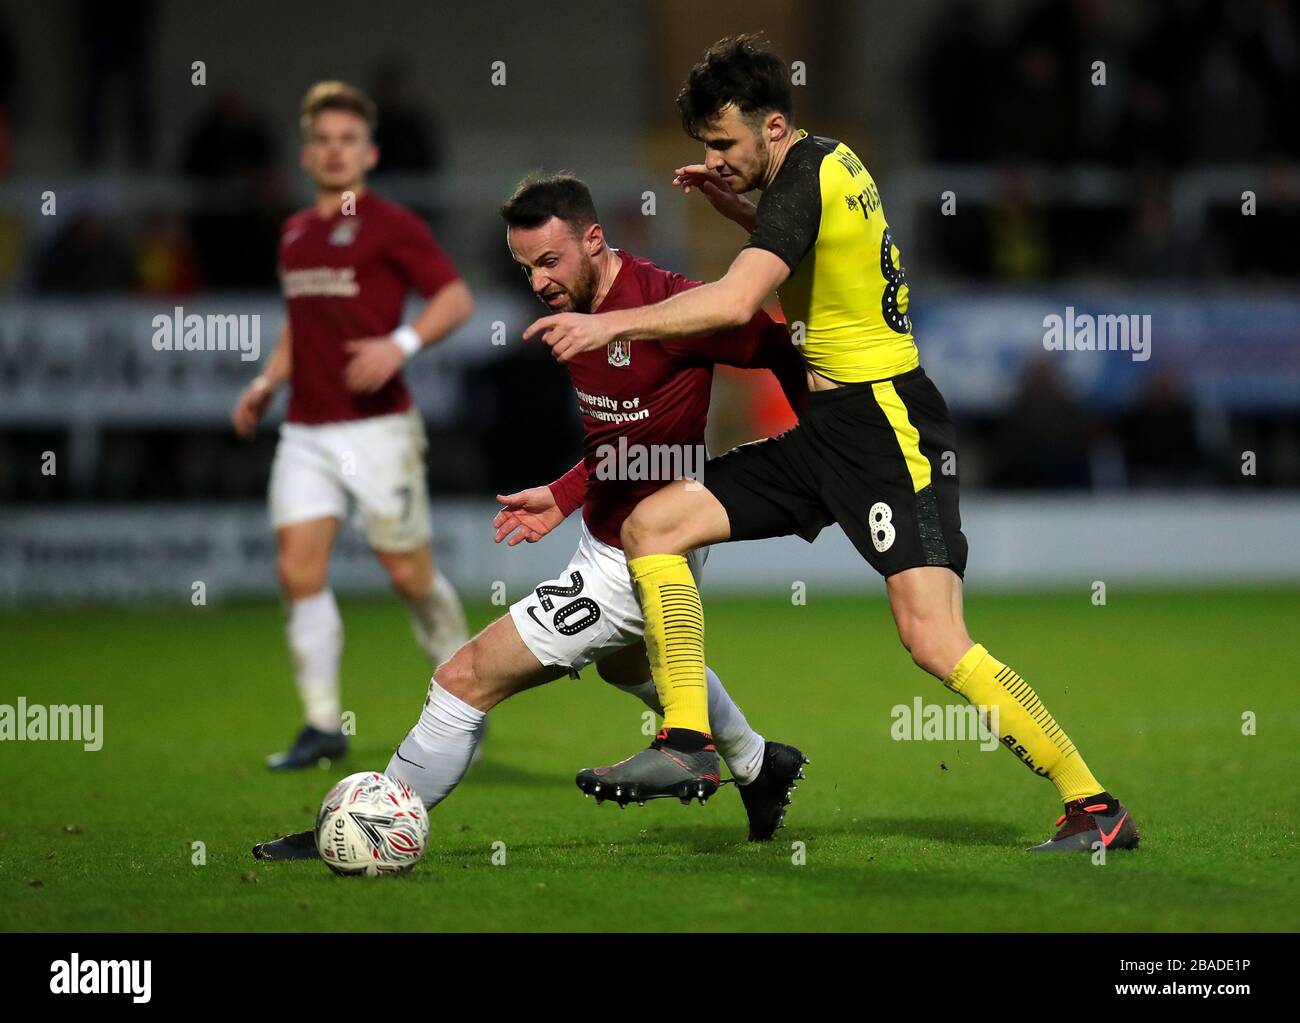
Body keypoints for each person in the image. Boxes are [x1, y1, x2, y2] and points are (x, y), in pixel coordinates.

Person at [524, 36, 1139, 853]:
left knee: (933, 639)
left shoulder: (808, 177)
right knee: (653, 525)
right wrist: (740, 210)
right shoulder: (819, 169)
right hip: (827, 434)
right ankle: (688, 742)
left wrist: (607, 322)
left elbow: (736, 303)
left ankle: (1093, 805)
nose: (716, 158)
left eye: (724, 144)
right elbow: (809, 257)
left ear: (773, 125)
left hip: (886, 429)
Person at [250, 172, 809, 861]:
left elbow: (780, 347)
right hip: (607, 535)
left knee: (465, 675)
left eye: (550, 261)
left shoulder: (673, 307)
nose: (540, 281)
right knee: (630, 668)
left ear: (593, 238)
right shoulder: (577, 314)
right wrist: (568, 490)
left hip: (643, 553)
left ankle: (369, 823)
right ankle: (758, 763)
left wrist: (822, 444)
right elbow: (623, 433)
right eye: (525, 267)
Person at [232, 81, 470, 770]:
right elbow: (299, 324)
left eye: (348, 140)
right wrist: (265, 381)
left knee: (407, 573)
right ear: (309, 154)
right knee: (296, 569)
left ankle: (465, 690)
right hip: (305, 430)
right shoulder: (296, 232)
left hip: (378, 429)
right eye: (324, 141)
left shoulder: (392, 223)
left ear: (369, 152)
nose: (336, 152)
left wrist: (400, 344)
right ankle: (321, 724)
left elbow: (455, 297)